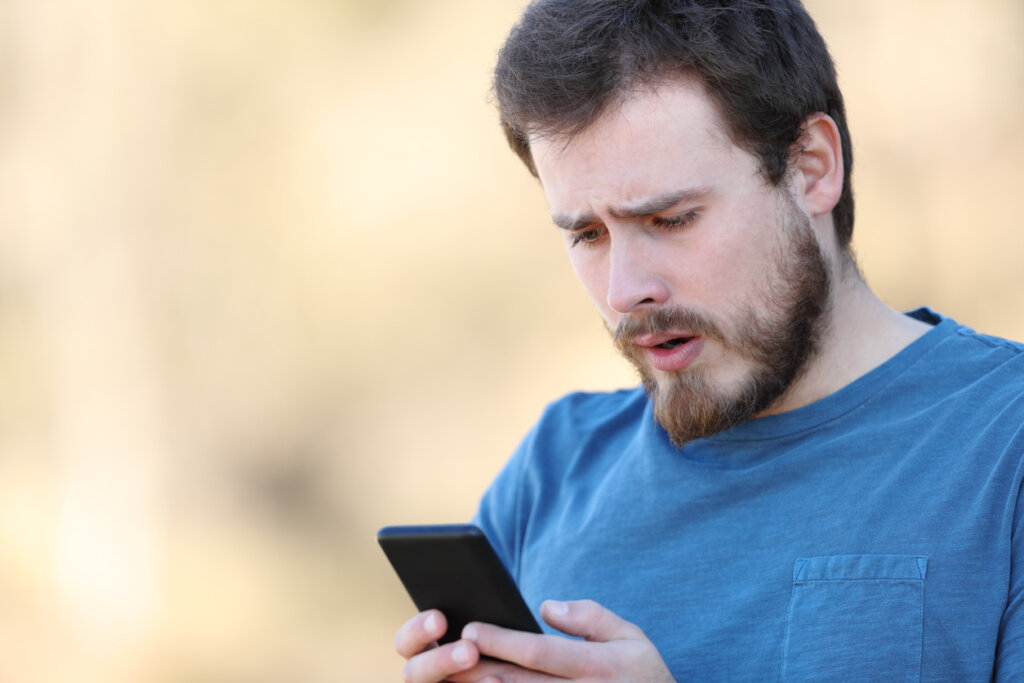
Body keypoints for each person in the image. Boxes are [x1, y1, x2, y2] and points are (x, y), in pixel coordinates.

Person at [393, 1, 1024, 680]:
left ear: (812, 167)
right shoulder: (553, 469)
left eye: (670, 219)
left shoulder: (1002, 446)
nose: (624, 290)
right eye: (587, 235)